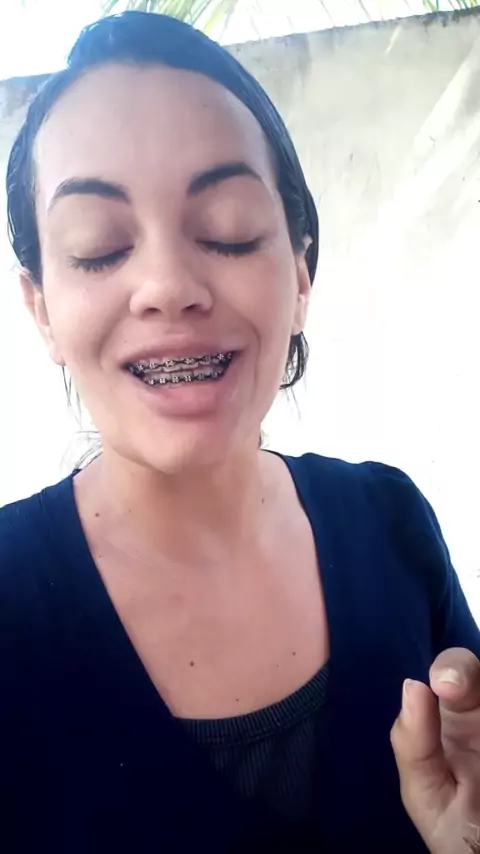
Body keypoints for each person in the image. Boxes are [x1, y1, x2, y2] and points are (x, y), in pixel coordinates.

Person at [2, 10, 480, 853]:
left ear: (300, 272)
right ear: (40, 308)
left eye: (228, 230)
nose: (166, 285)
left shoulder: (393, 525)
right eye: (98, 247)